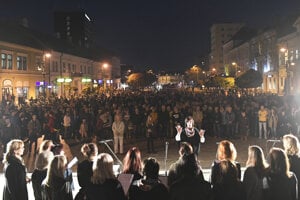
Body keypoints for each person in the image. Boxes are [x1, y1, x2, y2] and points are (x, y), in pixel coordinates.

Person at [283, 134, 300, 198]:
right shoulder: (297, 157)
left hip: (289, 186)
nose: (283, 144)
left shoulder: (287, 158)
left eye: (284, 143)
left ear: (289, 144)